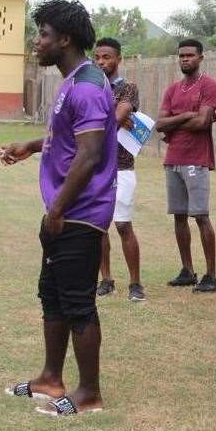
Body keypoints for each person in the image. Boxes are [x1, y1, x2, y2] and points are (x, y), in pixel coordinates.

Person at [0, 0, 117, 416]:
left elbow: (88, 156)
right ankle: (51, 378)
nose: (37, 41)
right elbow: (65, 141)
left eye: (43, 34)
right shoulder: (72, 81)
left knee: (78, 301)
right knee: (52, 294)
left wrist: (56, 211)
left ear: (64, 39)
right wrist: (29, 147)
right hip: (66, 210)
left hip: (80, 213)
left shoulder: (86, 86)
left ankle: (89, 394)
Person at [155, 39, 216, 293]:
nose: (185, 59)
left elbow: (203, 123)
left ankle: (211, 275)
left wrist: (173, 121)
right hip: (173, 158)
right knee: (179, 216)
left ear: (201, 58)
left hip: (196, 159)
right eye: (181, 56)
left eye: (190, 55)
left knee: (201, 216)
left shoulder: (209, 85)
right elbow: (159, 124)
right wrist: (185, 116)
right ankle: (187, 270)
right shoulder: (172, 89)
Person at [93, 37, 146, 302]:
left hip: (122, 168)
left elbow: (117, 116)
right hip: (95, 166)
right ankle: (106, 280)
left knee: (123, 224)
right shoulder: (91, 87)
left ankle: (135, 283)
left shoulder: (128, 88)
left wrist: (112, 116)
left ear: (118, 59)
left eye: (107, 57)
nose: (102, 62)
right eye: (98, 57)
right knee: (99, 226)